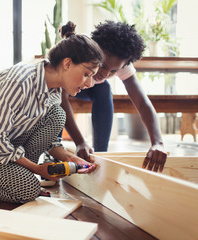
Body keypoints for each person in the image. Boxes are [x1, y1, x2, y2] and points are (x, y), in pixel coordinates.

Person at [0, 21, 101, 204]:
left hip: (8, 145)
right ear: (67, 64)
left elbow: (51, 142)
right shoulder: (20, 81)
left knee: (58, 115)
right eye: (87, 74)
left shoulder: (55, 93)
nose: (89, 84)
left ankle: (12, 176)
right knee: (29, 189)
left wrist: (73, 160)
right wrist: (37, 169)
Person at [60, 20, 167, 172]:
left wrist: (158, 143)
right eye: (102, 65)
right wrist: (80, 142)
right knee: (54, 99)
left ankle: (101, 153)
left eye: (113, 71)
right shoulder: (80, 48)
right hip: (65, 86)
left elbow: (142, 103)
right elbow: (61, 100)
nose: (104, 73)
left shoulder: (120, 62)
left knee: (104, 88)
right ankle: (55, 147)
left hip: (91, 89)